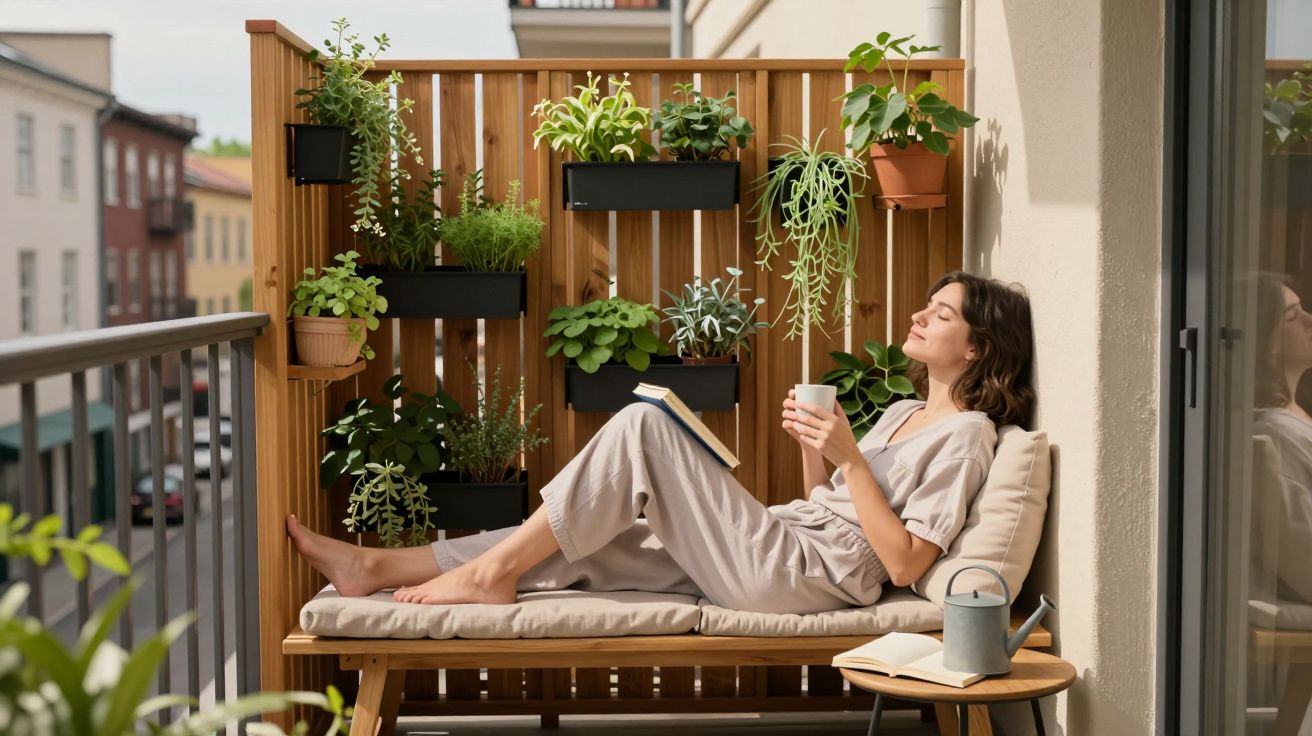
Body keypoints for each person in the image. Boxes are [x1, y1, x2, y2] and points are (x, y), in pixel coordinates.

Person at [287, 271, 1035, 614]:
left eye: (940, 315)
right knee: (580, 534)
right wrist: (817, 448)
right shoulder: (902, 411)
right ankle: (373, 565)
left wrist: (847, 459)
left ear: (978, 349)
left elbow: (904, 564)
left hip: (801, 577)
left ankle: (488, 578)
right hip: (783, 536)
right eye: (927, 307)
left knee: (646, 425)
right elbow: (825, 504)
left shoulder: (969, 436)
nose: (918, 317)